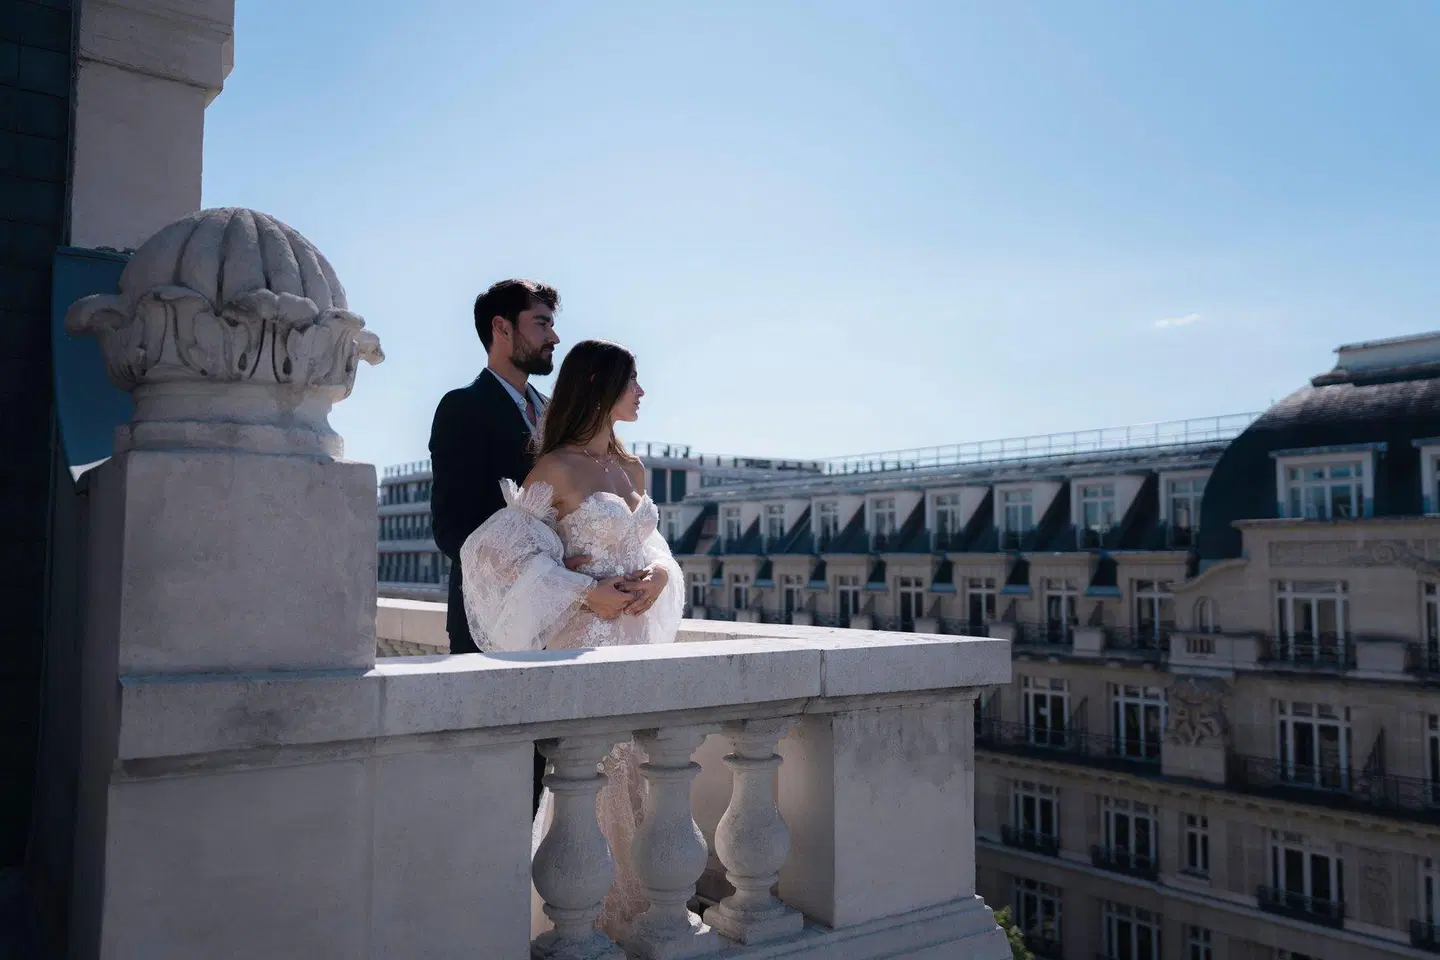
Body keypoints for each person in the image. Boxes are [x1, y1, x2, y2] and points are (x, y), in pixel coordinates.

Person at [458, 339, 683, 941]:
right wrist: (585, 592)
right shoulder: (554, 468)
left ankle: (646, 912)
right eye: (633, 382)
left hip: (638, 642)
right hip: (585, 641)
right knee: (598, 779)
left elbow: (651, 548)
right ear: (601, 388)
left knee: (644, 775)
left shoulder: (633, 467)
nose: (642, 393)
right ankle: (592, 926)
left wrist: (659, 575)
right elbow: (497, 554)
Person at [429, 280, 633, 816]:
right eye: (541, 323)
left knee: (564, 792)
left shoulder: (558, 412)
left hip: (574, 627)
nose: (554, 337)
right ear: (501, 328)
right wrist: (548, 574)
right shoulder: (462, 408)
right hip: (496, 625)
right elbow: (452, 530)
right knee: (501, 797)